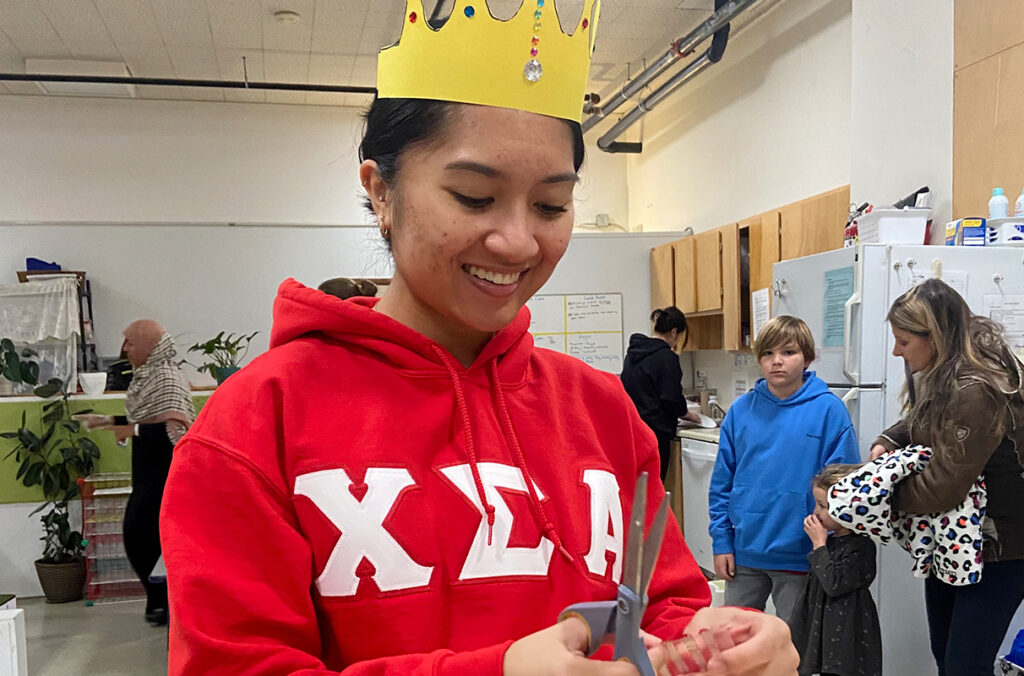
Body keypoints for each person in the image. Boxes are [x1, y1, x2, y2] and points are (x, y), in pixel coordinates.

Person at [159, 2, 798, 674]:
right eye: (472, 195)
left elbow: (657, 608)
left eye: (552, 205)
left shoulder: (600, 410)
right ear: (381, 193)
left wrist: (716, 646)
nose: (519, 240)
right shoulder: (257, 424)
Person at [868, 278, 1024, 675]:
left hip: (998, 547)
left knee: (963, 666)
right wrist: (890, 439)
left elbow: (942, 487)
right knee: (948, 657)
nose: (895, 350)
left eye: (903, 341)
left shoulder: (976, 388)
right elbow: (926, 418)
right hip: (955, 540)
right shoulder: (950, 370)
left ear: (934, 337)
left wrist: (872, 498)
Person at [709, 315, 859, 624]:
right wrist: (722, 541)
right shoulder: (741, 411)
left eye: (788, 352)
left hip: (801, 553)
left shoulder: (829, 410)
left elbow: (843, 489)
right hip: (744, 551)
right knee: (735, 642)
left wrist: (828, 546)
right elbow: (722, 483)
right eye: (768, 353)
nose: (777, 361)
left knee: (794, 651)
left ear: (807, 357)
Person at [78, 319, 195, 626]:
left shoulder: (167, 377)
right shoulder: (148, 375)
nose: (125, 348)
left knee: (140, 535)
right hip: (148, 469)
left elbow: (174, 430)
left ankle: (165, 603)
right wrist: (108, 421)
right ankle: (159, 603)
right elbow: (148, 419)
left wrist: (126, 427)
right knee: (147, 538)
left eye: (130, 342)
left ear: (149, 344)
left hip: (166, 472)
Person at [789, 463, 881, 676]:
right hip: (820, 623)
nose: (816, 512)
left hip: (846, 630)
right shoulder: (831, 541)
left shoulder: (862, 546)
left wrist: (819, 545)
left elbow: (834, 584)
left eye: (823, 506)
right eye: (817, 504)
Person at [620, 306, 701, 481]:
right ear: (673, 332)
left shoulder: (633, 354)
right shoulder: (666, 358)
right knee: (654, 489)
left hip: (632, 431)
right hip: (655, 435)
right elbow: (671, 398)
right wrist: (690, 415)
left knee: (636, 489)